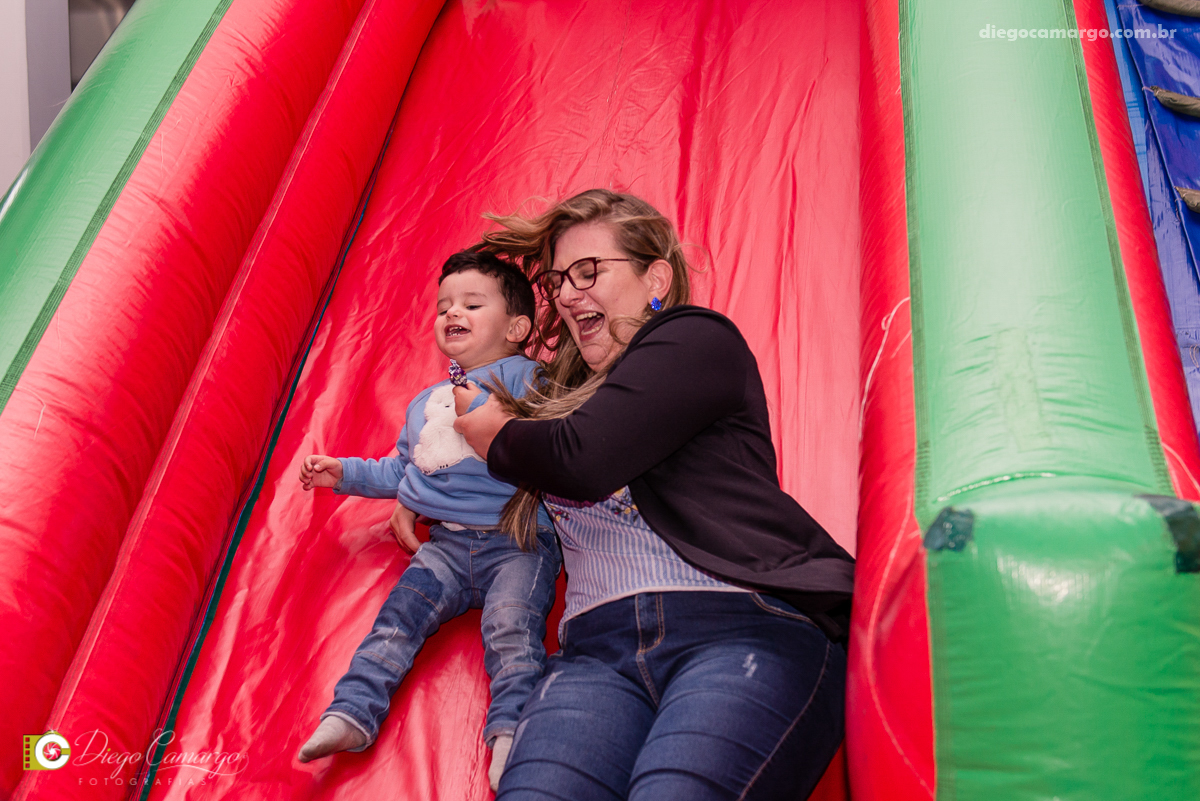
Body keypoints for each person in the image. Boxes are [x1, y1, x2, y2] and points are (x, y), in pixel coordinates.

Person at [452, 189, 854, 800]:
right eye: (559, 281)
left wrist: (497, 438)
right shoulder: (554, 404)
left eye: (588, 272)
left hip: (737, 628)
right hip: (595, 656)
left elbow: (584, 459)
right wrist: (423, 487)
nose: (565, 294)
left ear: (655, 277)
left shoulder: (695, 340)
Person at [296, 250, 561, 791]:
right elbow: (403, 468)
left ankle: (512, 732)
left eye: (470, 303)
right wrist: (343, 473)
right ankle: (351, 712)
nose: (451, 313)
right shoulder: (427, 400)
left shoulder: (529, 378)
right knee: (396, 620)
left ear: (516, 327)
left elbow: (557, 438)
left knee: (512, 629)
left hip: (519, 543)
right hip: (442, 547)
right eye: (442, 306)